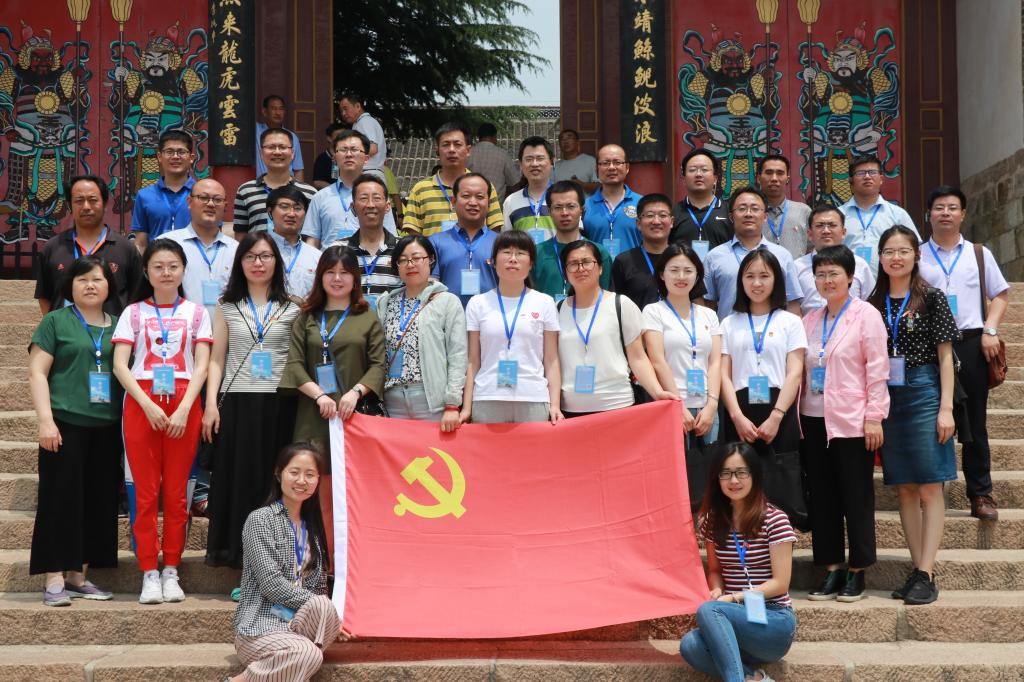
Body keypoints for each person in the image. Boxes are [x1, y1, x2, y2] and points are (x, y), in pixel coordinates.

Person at [112, 239, 212, 604]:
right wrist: (147, 405)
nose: (166, 272)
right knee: (144, 492)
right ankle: (148, 571)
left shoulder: (197, 313)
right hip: (142, 401)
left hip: (185, 402)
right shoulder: (133, 312)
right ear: (146, 271)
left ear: (183, 270)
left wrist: (185, 408)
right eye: (158, 266)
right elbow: (120, 365)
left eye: (173, 266)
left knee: (177, 493)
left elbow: (202, 366)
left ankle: (171, 568)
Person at [870, 225, 960, 605]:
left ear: (916, 255)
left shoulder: (932, 297)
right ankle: (916, 568)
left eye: (903, 251)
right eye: (889, 251)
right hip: (887, 396)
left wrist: (946, 408)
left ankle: (927, 571)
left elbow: (946, 357)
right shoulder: (872, 303)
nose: (896, 258)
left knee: (929, 485)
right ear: (879, 258)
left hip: (924, 391)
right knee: (904, 486)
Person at [280, 245, 386, 562]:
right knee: (316, 492)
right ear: (320, 277)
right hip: (314, 417)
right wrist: (319, 395)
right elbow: (294, 364)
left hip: (354, 419)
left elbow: (378, 365)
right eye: (330, 272)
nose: (337, 279)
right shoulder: (307, 318)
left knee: (352, 494)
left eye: (344, 273)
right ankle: (322, 565)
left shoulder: (367, 317)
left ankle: (351, 565)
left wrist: (355, 392)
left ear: (355, 279)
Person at [203, 233, 302, 569]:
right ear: (240, 262)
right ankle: (239, 557)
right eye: (250, 256)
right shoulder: (227, 305)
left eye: (265, 256)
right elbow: (217, 359)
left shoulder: (293, 306)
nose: (258, 263)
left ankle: (278, 559)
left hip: (280, 403)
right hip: (237, 403)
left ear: (277, 261)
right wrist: (211, 404)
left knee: (274, 481)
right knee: (239, 480)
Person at [28, 256, 121, 606]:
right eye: (82, 280)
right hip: (64, 424)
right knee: (59, 500)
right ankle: (54, 578)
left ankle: (79, 576)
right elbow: (37, 372)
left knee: (97, 502)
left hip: (106, 426)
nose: (90, 285)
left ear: (109, 285)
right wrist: (45, 420)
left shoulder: (119, 326)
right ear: (70, 286)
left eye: (97, 279)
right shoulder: (56, 321)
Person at [799, 245, 890, 603]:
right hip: (813, 418)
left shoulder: (866, 315)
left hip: (852, 420)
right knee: (822, 497)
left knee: (856, 496)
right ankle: (832, 567)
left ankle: (858, 569)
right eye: (820, 274)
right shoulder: (810, 320)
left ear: (850, 277)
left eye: (834, 273)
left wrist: (874, 416)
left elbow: (877, 369)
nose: (827, 280)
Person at [919, 185, 1010, 521]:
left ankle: (981, 493)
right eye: (939, 207)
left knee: (975, 422)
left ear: (963, 214)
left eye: (952, 207)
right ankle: (929, 491)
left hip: (970, 342)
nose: (945, 213)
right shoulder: (916, 255)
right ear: (928, 214)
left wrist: (990, 330)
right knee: (930, 418)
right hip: (929, 345)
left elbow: (1000, 295)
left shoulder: (978, 253)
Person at [230, 443, 353, 682]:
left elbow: (318, 589)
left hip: (298, 627)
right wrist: (326, 613)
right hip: (260, 628)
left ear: (318, 480)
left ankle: (295, 656)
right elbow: (271, 584)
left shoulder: (312, 529)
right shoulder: (260, 520)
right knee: (310, 652)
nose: (302, 481)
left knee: (323, 609)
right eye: (294, 472)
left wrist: (329, 620)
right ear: (279, 474)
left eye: (310, 475)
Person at [680, 443, 797, 682]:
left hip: (773, 620)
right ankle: (755, 678)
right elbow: (715, 570)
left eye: (741, 472)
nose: (734, 480)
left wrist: (733, 598)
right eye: (726, 473)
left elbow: (781, 583)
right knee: (690, 645)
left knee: (709, 610)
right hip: (734, 619)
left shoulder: (775, 519)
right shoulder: (713, 521)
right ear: (717, 479)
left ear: (754, 475)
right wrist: (717, 589)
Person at [719, 249, 807, 522]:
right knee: (740, 479)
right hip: (740, 413)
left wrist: (777, 416)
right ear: (741, 281)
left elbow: (795, 373)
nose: (756, 283)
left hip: (779, 411)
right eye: (750, 276)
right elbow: (723, 375)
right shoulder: (729, 323)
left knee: (779, 484)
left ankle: (780, 542)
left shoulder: (791, 322)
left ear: (776, 280)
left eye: (764, 276)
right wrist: (736, 417)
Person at [643, 243, 722, 511]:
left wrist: (712, 404)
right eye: (674, 270)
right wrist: (677, 404)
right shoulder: (653, 312)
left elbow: (715, 362)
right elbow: (657, 360)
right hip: (670, 405)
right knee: (674, 475)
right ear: (662, 274)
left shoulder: (709, 315)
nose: (681, 276)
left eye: (688, 270)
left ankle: (707, 529)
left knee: (707, 473)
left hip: (707, 406)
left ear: (697, 275)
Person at [556, 239, 674, 417]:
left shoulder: (621, 304)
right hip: (571, 409)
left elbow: (638, 358)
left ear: (600, 268)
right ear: (565, 272)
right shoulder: (557, 310)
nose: (580, 268)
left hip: (617, 405)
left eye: (587, 262)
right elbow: (553, 363)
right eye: (573, 264)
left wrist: (657, 392)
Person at [462, 230, 562, 424]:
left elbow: (551, 359)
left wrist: (555, 405)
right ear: (493, 261)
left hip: (533, 397)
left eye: (521, 253)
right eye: (506, 252)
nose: (513, 259)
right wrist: (466, 407)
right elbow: (473, 360)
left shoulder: (545, 302)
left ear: (531, 263)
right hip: (488, 397)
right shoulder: (477, 303)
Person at [376, 235, 467, 429]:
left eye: (417, 258)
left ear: (431, 260)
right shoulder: (385, 303)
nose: (410, 265)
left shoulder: (447, 302)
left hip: (431, 401)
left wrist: (452, 404)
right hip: (393, 401)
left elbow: (458, 355)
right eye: (403, 260)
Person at [35, 175, 142, 316]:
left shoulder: (125, 249)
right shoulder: (53, 248)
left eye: (93, 200)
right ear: (70, 206)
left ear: (104, 204)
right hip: (65, 330)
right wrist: (56, 326)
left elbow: (137, 298)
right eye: (79, 201)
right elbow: (44, 296)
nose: (86, 207)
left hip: (112, 329)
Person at [702, 186, 803, 320]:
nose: (748, 214)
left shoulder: (782, 256)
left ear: (765, 216)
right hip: (729, 332)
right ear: (731, 217)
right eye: (742, 209)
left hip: (773, 332)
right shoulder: (714, 257)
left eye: (755, 209)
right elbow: (707, 306)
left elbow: (792, 304)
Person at [403, 122, 504, 236]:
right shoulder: (420, 190)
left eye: (457, 144)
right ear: (437, 150)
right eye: (446, 145)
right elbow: (414, 237)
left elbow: (494, 233)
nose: (451, 150)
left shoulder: (484, 187)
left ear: (468, 150)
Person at [302, 130, 398, 247]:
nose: (348, 154)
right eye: (343, 150)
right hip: (330, 258)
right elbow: (312, 241)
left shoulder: (379, 197)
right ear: (334, 158)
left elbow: (390, 238)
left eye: (354, 149)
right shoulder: (320, 197)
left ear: (366, 158)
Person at [162, 178, 240, 316]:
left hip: (226, 328)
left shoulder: (236, 250)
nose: (210, 204)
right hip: (178, 326)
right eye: (203, 198)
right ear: (189, 202)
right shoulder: (166, 245)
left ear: (225, 206)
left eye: (217, 200)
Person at [530, 180, 612, 300]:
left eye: (571, 206)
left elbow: (606, 298)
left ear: (582, 210)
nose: (564, 213)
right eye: (558, 207)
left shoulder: (599, 252)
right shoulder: (537, 253)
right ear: (549, 212)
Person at [429, 173, 500, 306]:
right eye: (466, 196)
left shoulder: (502, 243)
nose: (473, 202)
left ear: (489, 203)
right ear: (453, 201)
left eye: (480, 197)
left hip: (492, 316)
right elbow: (431, 287)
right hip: (448, 316)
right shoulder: (435, 242)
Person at [839, 156, 920, 270]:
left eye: (872, 172)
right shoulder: (838, 215)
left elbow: (914, 247)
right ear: (851, 180)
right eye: (861, 173)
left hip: (889, 279)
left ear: (881, 179)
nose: (867, 177)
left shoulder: (897, 214)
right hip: (848, 278)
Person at [233, 127, 317, 237]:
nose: (277, 152)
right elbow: (240, 235)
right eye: (271, 147)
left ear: (292, 153)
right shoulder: (245, 191)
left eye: (282, 147)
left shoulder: (310, 193)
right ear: (261, 153)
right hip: (257, 249)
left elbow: (312, 236)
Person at [795, 205, 875, 314]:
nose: (826, 231)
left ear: (843, 232)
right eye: (820, 225)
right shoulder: (797, 267)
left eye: (832, 225)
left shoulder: (859, 265)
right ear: (809, 234)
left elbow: (871, 303)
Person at [338, 174, 402, 309]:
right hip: (350, 320)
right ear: (353, 207)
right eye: (363, 199)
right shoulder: (338, 249)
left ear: (387, 206)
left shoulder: (403, 249)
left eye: (377, 198)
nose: (370, 205)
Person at [131, 130, 196, 250]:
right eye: (169, 152)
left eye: (181, 152)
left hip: (194, 260)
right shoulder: (144, 196)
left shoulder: (202, 195)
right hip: (157, 260)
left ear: (191, 158)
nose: (175, 157)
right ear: (160, 157)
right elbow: (141, 243)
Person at [612, 193, 675, 310]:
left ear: (671, 222)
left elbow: (696, 302)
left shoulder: (683, 258)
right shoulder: (624, 261)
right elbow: (614, 305)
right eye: (650, 215)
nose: (656, 221)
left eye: (662, 215)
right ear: (639, 223)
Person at [581, 144, 641, 258]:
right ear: (597, 169)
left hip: (633, 268)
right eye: (605, 163)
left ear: (627, 167)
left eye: (617, 162)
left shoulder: (641, 203)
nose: (612, 167)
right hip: (597, 268)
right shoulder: (585, 206)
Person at [669, 149, 732, 257]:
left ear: (715, 179)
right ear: (684, 179)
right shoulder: (673, 213)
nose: (698, 174)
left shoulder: (729, 212)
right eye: (692, 170)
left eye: (704, 170)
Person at [266, 186, 322, 301]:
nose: (291, 214)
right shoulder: (258, 252)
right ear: (270, 211)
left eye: (297, 208)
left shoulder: (317, 257)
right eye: (284, 207)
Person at [756, 155, 811, 261]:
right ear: (759, 178)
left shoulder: (803, 211)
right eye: (769, 173)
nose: (774, 178)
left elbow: (813, 247)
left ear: (787, 179)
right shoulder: (751, 213)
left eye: (780, 173)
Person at [502, 136, 556, 242]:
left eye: (540, 158)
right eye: (529, 159)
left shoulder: (564, 198)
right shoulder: (511, 201)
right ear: (521, 165)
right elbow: (506, 242)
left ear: (552, 161)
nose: (534, 164)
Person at [338, 91, 387, 177]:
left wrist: (347, 155)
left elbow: (372, 148)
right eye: (341, 111)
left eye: (346, 109)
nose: (343, 113)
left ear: (358, 106)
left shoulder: (365, 121)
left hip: (368, 173)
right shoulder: (360, 123)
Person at [256, 95, 304, 180]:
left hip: (286, 185)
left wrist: (298, 188)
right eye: (273, 108)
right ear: (264, 111)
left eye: (281, 109)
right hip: (261, 185)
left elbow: (298, 169)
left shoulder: (292, 137)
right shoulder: (255, 131)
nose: (278, 113)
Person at [468, 122, 520, 201]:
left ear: (478, 137)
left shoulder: (468, 153)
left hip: (471, 202)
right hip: (496, 204)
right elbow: (515, 183)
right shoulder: (503, 155)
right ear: (494, 136)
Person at [552, 128, 598, 193]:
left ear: (577, 142)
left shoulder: (591, 161)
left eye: (569, 137)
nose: (565, 141)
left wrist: (582, 185)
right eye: (562, 139)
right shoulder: (555, 166)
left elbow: (599, 186)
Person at [311, 122, 346, 190]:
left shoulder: (350, 156)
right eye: (338, 135)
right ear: (329, 138)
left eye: (344, 135)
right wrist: (336, 190)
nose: (342, 138)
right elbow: (318, 182)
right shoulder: (322, 159)